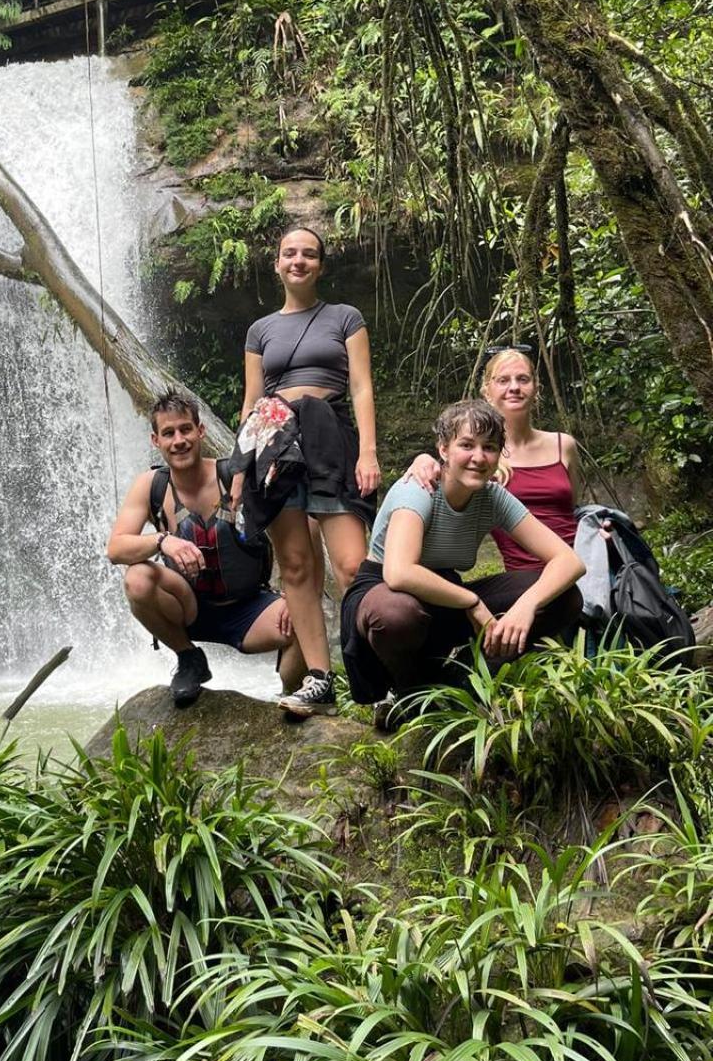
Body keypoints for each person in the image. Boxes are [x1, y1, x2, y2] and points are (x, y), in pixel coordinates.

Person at [340, 398, 584, 728]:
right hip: (382, 593)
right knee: (398, 614)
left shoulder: (493, 496)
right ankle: (407, 692)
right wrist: (472, 601)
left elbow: (569, 562)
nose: (478, 457)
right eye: (466, 445)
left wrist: (524, 607)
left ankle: (463, 676)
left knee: (564, 597)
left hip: (444, 597)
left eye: (489, 447)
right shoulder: (419, 488)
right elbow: (398, 572)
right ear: (443, 448)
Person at [235, 226, 380, 719]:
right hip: (275, 444)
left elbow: (360, 388)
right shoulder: (259, 330)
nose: (299, 261)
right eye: (289, 253)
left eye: (309, 254)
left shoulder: (345, 318)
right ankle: (321, 678)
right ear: (276, 263)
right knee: (295, 565)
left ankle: (379, 676)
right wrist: (240, 469)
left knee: (351, 565)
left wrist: (369, 453)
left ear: (320, 265)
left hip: (331, 437)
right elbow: (252, 402)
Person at [107, 391, 303, 707]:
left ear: (201, 431)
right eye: (168, 433)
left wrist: (294, 595)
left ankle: (292, 696)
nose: (179, 440)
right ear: (155, 440)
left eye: (186, 429)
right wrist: (162, 540)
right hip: (187, 608)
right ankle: (188, 657)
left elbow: (292, 534)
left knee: (302, 620)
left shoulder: (234, 476)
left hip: (249, 607)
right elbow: (116, 548)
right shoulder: (151, 486)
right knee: (137, 579)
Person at [404, 347, 580, 570]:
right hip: (522, 574)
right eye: (503, 380)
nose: (514, 387)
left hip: (577, 562)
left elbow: (573, 510)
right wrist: (421, 459)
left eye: (523, 379)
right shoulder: (482, 463)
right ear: (486, 390)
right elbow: (448, 487)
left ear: (536, 387)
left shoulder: (563, 446)